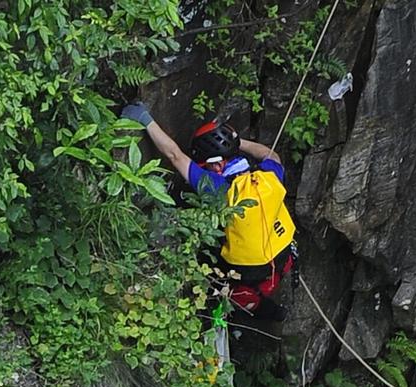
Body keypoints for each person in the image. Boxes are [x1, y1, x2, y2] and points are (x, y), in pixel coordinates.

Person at [121, 102, 296, 321]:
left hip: (248, 266)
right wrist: (239, 142)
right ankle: (270, 312)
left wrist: (144, 119)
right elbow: (270, 154)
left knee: (236, 289)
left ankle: (238, 315)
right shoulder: (270, 175)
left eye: (207, 165)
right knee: (264, 283)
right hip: (282, 251)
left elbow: (175, 156)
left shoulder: (220, 189)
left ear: (217, 165)